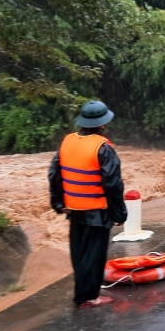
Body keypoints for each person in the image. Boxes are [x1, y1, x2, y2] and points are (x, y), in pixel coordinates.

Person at [48, 100, 127, 308]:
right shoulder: (103, 148)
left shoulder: (67, 141)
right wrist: (119, 214)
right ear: (102, 125)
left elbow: (54, 174)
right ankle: (88, 297)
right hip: (97, 211)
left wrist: (58, 203)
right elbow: (113, 183)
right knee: (95, 254)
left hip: (74, 209)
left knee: (81, 253)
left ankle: (85, 291)